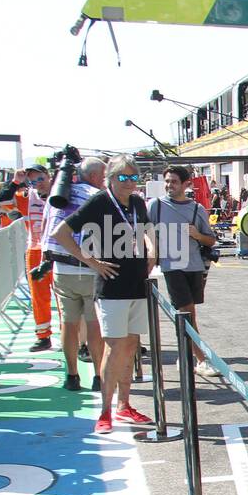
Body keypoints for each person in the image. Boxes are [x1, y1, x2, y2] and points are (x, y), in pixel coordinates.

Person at [51, 155, 154, 434]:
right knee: (114, 347)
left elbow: (145, 228)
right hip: (111, 287)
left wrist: (152, 249)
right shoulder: (99, 201)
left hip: (137, 283)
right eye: (123, 177)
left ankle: (125, 405)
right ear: (110, 178)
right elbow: (60, 233)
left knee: (131, 346)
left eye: (133, 177)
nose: (129, 183)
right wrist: (92, 262)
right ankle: (105, 411)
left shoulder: (136, 202)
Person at [149, 164, 220, 377]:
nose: (169, 185)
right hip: (172, 267)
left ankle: (186, 354)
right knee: (187, 314)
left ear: (186, 184)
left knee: (189, 314)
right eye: (167, 181)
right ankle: (201, 359)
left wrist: (197, 235)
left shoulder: (197, 209)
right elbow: (143, 232)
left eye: (174, 182)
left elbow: (211, 239)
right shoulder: (155, 206)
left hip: (195, 266)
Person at [42, 157, 106, 392]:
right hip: (89, 268)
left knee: (68, 324)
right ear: (96, 176)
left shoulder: (56, 197)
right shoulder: (95, 196)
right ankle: (99, 376)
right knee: (94, 324)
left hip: (60, 268)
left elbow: (46, 230)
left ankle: (72, 375)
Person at [23, 166, 55, 352]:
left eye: (41, 178)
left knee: (63, 296)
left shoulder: (62, 192)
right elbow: (3, 199)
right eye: (33, 181)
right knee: (39, 295)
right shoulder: (26, 196)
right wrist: (16, 181)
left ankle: (76, 338)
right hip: (35, 249)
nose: (38, 184)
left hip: (57, 248)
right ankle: (43, 336)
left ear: (49, 176)